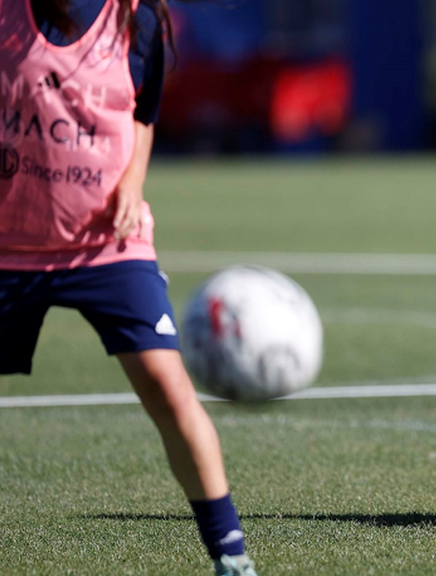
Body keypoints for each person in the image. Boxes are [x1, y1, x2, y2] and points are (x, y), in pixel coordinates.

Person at [0, 1, 257, 573]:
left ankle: (233, 559)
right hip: (8, 248)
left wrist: (132, 181)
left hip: (106, 245)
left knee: (168, 387)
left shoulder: (136, 18)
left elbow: (143, 111)